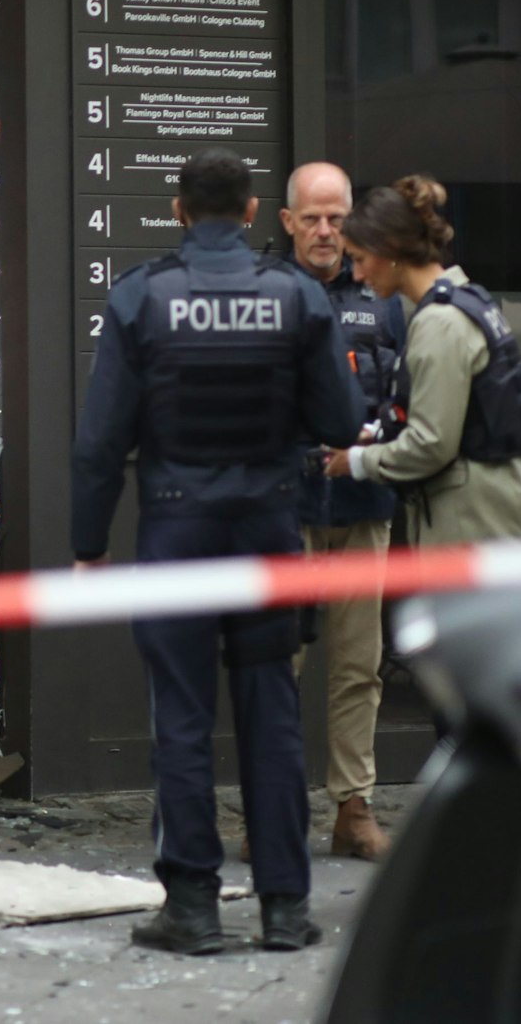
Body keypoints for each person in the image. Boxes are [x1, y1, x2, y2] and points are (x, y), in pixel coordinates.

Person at [73, 147, 360, 956]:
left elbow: (99, 444)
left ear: (175, 209)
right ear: (251, 210)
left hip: (176, 530)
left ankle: (193, 908)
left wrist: (88, 548)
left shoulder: (141, 297)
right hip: (269, 531)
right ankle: (283, 909)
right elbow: (341, 423)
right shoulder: (297, 297)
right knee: (272, 717)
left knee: (183, 721)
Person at [323, 175, 521, 543]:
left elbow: (431, 444)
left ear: (391, 250)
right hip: (498, 514)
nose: (360, 274)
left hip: (475, 524)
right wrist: (374, 433)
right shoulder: (466, 300)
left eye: (360, 258)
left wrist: (355, 462)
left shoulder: (439, 323)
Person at [280, 162, 402, 862]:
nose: (327, 231)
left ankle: (353, 808)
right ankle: (277, 811)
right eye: (313, 218)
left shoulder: (382, 293)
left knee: (361, 665)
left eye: (338, 217)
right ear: (288, 221)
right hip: (286, 505)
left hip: (363, 502)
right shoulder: (265, 292)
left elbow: (408, 391)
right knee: (277, 667)